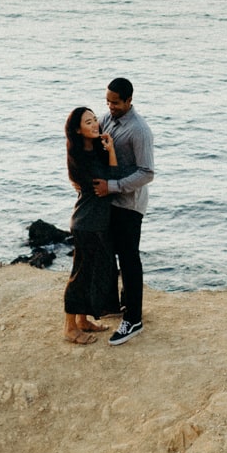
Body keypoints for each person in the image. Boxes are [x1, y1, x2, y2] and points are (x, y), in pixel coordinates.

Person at [92, 77, 154, 345]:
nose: (110, 106)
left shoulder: (139, 130)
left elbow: (146, 173)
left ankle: (134, 319)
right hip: (110, 201)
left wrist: (113, 186)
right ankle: (122, 305)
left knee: (129, 259)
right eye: (107, 101)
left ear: (129, 101)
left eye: (115, 102)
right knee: (112, 256)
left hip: (129, 204)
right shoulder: (107, 119)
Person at [62, 105, 129, 343]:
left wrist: (109, 150)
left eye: (94, 120)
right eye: (88, 122)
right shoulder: (80, 157)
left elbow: (114, 179)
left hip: (97, 221)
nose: (94, 125)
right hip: (86, 222)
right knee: (80, 275)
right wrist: (111, 153)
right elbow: (110, 182)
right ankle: (70, 328)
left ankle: (82, 320)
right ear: (77, 130)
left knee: (92, 273)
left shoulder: (96, 151)